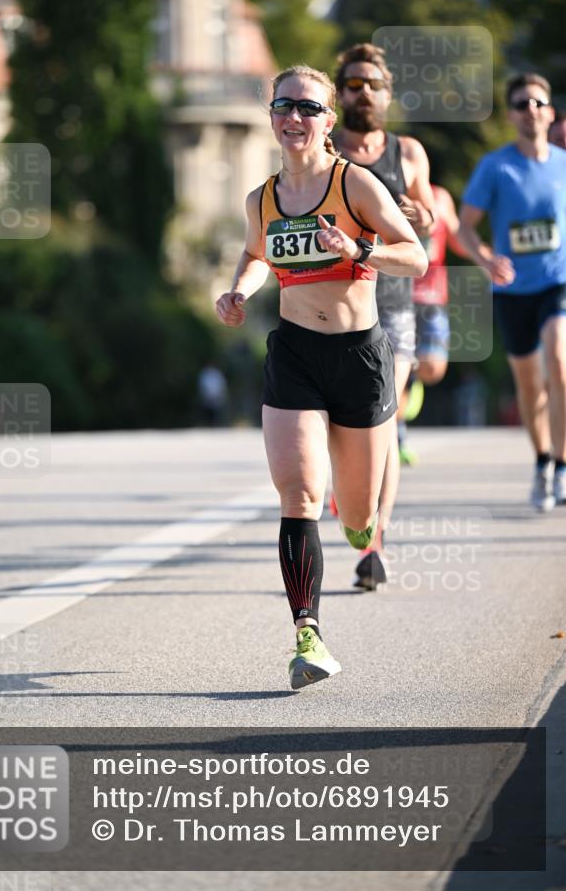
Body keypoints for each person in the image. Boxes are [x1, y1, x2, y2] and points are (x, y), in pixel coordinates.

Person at [216, 65, 427, 689]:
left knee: (357, 514)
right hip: (295, 356)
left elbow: (413, 255)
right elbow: (257, 253)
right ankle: (308, 634)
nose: (295, 118)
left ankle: (363, 528)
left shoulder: (354, 184)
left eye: (308, 108)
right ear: (273, 116)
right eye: (284, 106)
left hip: (359, 358)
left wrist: (358, 250)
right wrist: (237, 292)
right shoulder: (262, 198)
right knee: (300, 493)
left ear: (328, 121)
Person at [331, 43, 435, 587]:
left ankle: (376, 539)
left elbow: (430, 220)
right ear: (340, 93)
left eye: (372, 84)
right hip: (333, 308)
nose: (363, 92)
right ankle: (352, 497)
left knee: (384, 421)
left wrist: (422, 214)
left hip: (392, 309)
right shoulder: (323, 150)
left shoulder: (408, 152)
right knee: (339, 427)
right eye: (352, 84)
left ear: (387, 93)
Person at [458, 73, 566, 510]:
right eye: (521, 104)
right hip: (512, 288)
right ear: (510, 115)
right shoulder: (495, 167)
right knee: (529, 383)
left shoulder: (563, 162)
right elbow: (464, 228)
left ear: (551, 112)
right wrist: (486, 260)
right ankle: (541, 459)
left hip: (558, 281)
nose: (530, 110)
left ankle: (562, 465)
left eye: (537, 103)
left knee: (559, 363)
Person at [401, 183, 472, 462]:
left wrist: (485, 254)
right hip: (396, 295)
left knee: (433, 367)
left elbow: (458, 238)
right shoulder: (385, 191)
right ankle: (398, 439)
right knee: (396, 371)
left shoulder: (441, 198)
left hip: (432, 297)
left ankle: (413, 376)